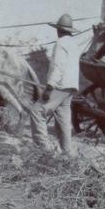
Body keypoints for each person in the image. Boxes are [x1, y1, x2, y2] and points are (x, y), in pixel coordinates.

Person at [30, 14, 81, 156]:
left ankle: (43, 149)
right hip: (71, 87)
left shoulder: (60, 44)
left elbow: (58, 67)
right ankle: (67, 151)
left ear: (59, 30)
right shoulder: (74, 44)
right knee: (63, 118)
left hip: (59, 86)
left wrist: (49, 87)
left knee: (36, 111)